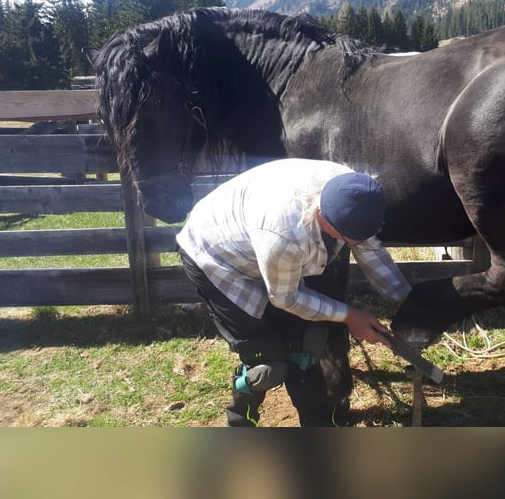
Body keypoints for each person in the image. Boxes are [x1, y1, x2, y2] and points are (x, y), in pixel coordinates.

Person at [176, 158, 412, 426]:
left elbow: (368, 248)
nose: (355, 244)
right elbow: (285, 298)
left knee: (305, 350)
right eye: (348, 238)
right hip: (219, 259)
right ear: (324, 216)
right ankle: (239, 422)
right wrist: (350, 316)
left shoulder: (353, 190)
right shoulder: (285, 234)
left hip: (264, 246)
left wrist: (407, 299)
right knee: (267, 365)